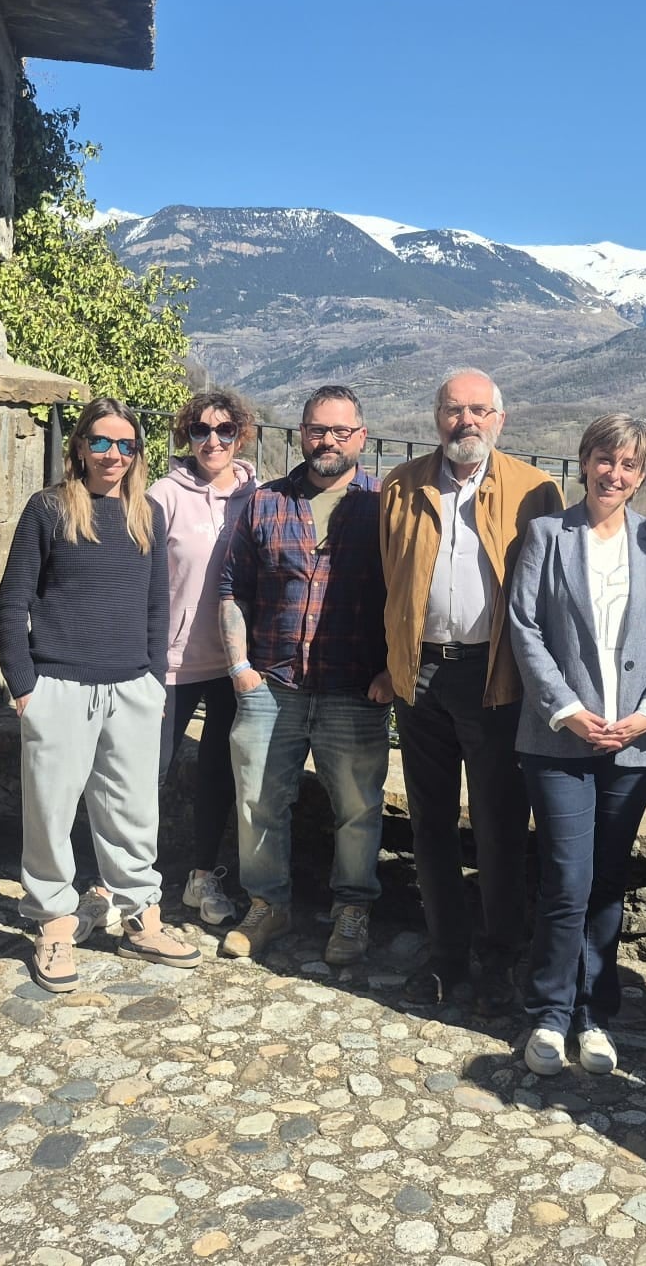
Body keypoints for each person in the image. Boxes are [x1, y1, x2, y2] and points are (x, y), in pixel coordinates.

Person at [0, 397, 202, 993]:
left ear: (138, 454)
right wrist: (24, 687)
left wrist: (154, 682)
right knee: (51, 814)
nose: (114, 454)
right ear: (80, 446)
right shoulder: (49, 510)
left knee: (134, 810)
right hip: (58, 685)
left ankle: (142, 917)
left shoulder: (146, 515)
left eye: (126, 445)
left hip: (132, 685)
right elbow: (12, 603)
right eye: (102, 442)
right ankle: (54, 924)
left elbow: (157, 605)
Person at [378, 368, 563, 1011]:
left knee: (499, 824)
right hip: (421, 674)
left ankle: (501, 957)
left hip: (495, 676)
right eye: (455, 410)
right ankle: (445, 954)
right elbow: (388, 582)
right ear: (437, 417)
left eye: (480, 411)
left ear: (500, 420)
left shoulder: (536, 490)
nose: (468, 422)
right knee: (429, 821)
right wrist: (390, 664)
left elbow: (554, 594)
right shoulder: (400, 487)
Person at [505, 412, 646, 1076]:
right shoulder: (548, 534)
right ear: (584, 461)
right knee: (567, 878)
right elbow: (525, 627)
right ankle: (549, 1013)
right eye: (605, 459)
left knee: (608, 881)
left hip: (633, 746)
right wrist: (568, 710)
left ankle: (595, 1014)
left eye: (630, 465)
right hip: (558, 742)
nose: (616, 473)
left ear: (643, 475)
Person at [217, 386, 391, 967]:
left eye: (341, 431)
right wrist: (240, 667)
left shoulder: (385, 507)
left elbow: (409, 596)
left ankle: (352, 910)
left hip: (355, 686)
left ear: (361, 438)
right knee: (258, 801)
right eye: (318, 430)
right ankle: (268, 904)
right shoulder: (264, 502)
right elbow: (231, 590)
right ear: (300, 434)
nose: (328, 441)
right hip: (272, 684)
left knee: (358, 808)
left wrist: (395, 667)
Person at [146, 388, 258, 931]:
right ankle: (128, 878)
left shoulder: (257, 495)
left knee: (219, 774)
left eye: (224, 430)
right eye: (200, 430)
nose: (212, 441)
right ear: (185, 435)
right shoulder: (163, 495)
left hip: (234, 663)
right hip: (169, 663)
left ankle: (201, 876)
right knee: (149, 772)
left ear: (241, 435)